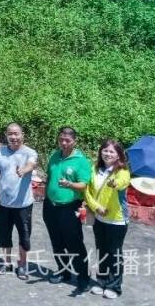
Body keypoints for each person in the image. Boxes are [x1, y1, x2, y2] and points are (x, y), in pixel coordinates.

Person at [43, 126, 93, 295]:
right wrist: (47, 195)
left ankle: (83, 277)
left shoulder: (81, 161)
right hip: (51, 206)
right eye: (61, 140)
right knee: (57, 241)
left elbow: (84, 185)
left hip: (70, 207)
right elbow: (49, 177)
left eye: (67, 140)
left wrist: (70, 184)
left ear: (74, 142)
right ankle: (63, 271)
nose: (63, 143)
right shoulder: (54, 155)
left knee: (74, 243)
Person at [85, 139, 131, 299]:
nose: (108, 154)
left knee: (114, 253)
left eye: (112, 151)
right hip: (99, 218)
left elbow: (123, 182)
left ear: (118, 155)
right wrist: (96, 207)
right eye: (105, 150)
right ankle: (102, 281)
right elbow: (87, 191)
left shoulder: (122, 171)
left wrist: (114, 183)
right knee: (102, 251)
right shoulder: (94, 169)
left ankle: (114, 286)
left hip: (117, 220)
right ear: (100, 152)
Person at [0, 122, 37, 279]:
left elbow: (31, 164)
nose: (13, 137)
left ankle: (22, 265)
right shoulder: (0, 152)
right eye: (10, 134)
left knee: (24, 236)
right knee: (4, 234)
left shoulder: (29, 152)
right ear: (6, 135)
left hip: (23, 204)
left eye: (16, 133)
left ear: (22, 135)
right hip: (3, 203)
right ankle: (6, 262)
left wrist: (23, 170)